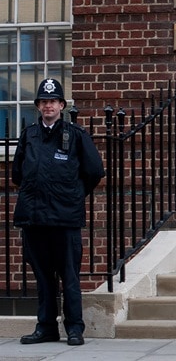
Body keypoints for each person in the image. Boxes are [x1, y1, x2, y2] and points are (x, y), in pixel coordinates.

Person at [13, 78, 105, 346]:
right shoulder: (29, 135)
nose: (48, 106)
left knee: (69, 276)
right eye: (43, 101)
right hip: (35, 217)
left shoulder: (75, 135)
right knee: (42, 277)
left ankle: (75, 328)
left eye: (53, 101)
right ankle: (46, 327)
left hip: (65, 218)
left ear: (62, 105)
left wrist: (73, 196)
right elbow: (18, 173)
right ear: (38, 106)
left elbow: (94, 172)